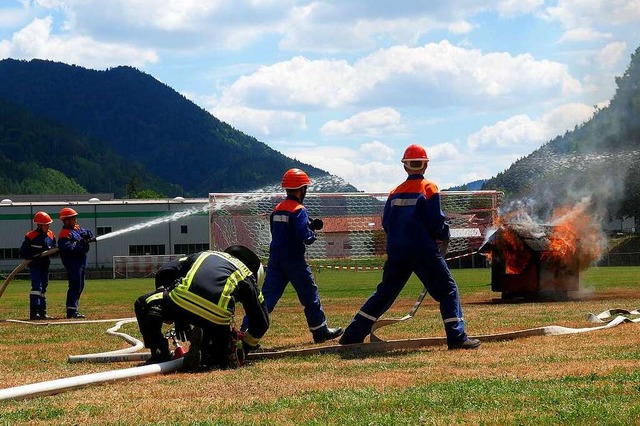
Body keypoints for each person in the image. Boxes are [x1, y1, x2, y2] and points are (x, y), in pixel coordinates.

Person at [339, 144, 481, 350]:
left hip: (397, 251)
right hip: (423, 250)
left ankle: (352, 334)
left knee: (385, 293)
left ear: (405, 167)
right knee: (448, 291)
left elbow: (386, 222)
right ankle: (457, 337)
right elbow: (435, 222)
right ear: (425, 166)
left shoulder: (394, 193)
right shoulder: (429, 188)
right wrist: (443, 233)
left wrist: (399, 240)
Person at [243, 168, 343, 344]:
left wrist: (309, 225)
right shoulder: (299, 210)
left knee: (266, 299)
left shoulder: (277, 209)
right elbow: (306, 237)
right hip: (295, 261)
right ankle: (320, 331)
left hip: (275, 260)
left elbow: (279, 231)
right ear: (302, 188)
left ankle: (244, 334)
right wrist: (313, 231)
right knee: (309, 295)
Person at [134, 246, 269, 370]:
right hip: (217, 317)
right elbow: (261, 323)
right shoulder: (246, 274)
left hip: (181, 300)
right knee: (216, 357)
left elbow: (165, 271)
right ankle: (210, 354)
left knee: (143, 304)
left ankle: (160, 354)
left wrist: (178, 317)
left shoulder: (205, 254)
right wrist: (245, 347)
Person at [19, 211, 57, 320]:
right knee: (36, 287)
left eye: (49, 224)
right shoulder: (31, 236)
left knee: (44, 287)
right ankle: (34, 312)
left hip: (45, 265)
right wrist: (32, 256)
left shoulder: (50, 235)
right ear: (39, 225)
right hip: (35, 265)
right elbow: (23, 252)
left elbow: (54, 248)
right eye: (46, 224)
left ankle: (42, 312)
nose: (48, 226)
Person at [57, 207, 94, 319]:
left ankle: (74, 309)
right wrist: (81, 244)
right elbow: (69, 249)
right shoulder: (64, 235)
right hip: (73, 264)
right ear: (67, 221)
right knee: (75, 286)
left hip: (80, 263)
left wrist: (87, 235)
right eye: (73, 219)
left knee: (80, 286)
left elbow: (87, 232)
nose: (76, 221)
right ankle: (71, 311)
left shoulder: (76, 229)